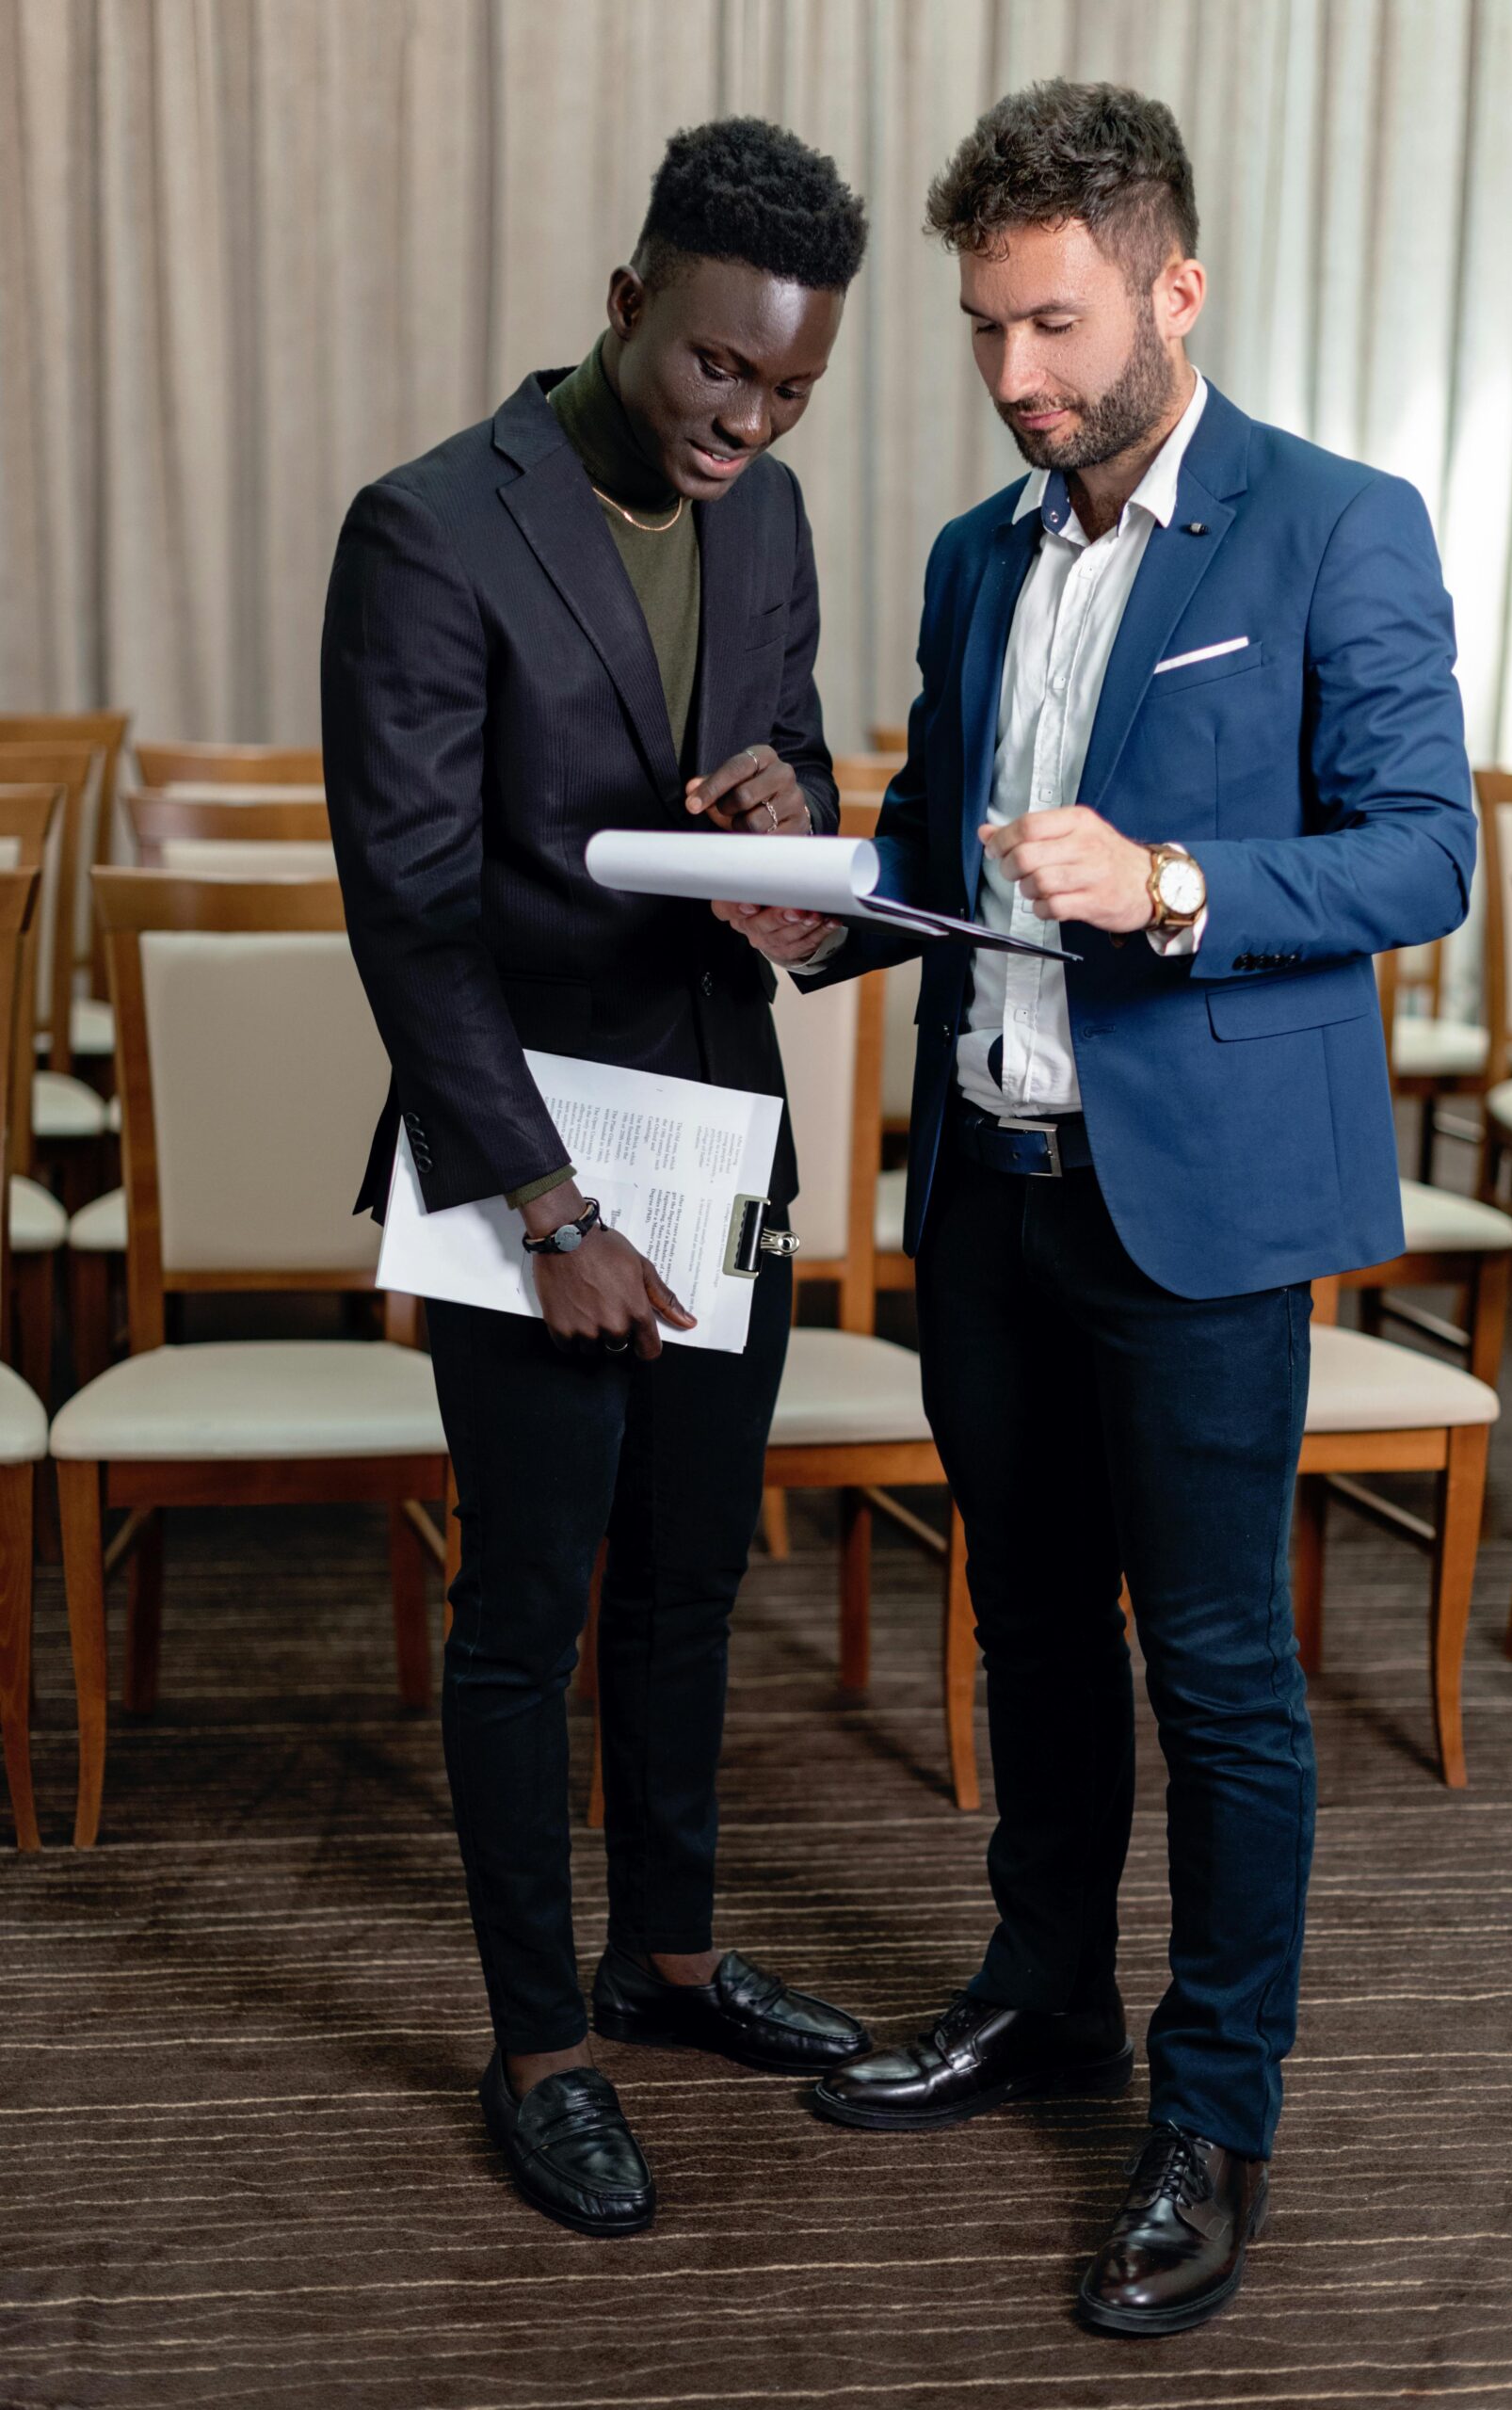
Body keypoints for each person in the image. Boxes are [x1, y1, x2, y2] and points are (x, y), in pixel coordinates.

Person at [719, 80, 1474, 2335]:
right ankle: (1043, 1994)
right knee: (1032, 1631)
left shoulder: (1337, 526)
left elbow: (1423, 849)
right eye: (984, 332)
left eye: (1051, 324)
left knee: (1223, 1670)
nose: (1018, 378)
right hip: (993, 1187)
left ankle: (1211, 2111)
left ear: (1172, 288)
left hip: (1203, 1210)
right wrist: (807, 882)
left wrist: (1173, 883)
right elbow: (943, 856)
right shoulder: (979, 552)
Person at [322, 118, 873, 2241]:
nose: (750, 419)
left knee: (687, 1580)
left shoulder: (780, 512)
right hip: (528, 1158)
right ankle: (539, 2041)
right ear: (631, 299)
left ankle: (669, 1956)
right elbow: (412, 914)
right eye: (723, 368)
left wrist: (788, 824)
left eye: (794, 386)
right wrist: (546, 1212)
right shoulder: (432, 527)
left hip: (721, 1132)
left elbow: (803, 802)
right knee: (527, 1608)